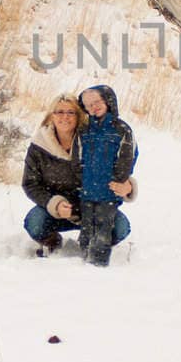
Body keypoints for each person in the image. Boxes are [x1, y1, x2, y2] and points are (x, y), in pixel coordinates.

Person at [20, 94, 134, 258]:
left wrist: (127, 186)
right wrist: (55, 204)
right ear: (52, 116)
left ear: (79, 116)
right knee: (34, 223)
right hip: (55, 210)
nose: (64, 117)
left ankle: (90, 242)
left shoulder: (94, 139)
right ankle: (54, 243)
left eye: (70, 112)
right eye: (59, 112)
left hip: (93, 207)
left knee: (121, 227)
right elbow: (30, 184)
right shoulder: (39, 145)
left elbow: (116, 169)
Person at [75, 84, 137, 267]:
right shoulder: (84, 130)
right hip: (87, 189)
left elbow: (128, 156)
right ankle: (83, 257)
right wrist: (81, 178)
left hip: (109, 190)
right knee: (87, 225)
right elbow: (76, 157)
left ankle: (99, 262)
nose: (94, 107)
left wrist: (120, 179)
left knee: (104, 226)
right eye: (88, 105)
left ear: (108, 101)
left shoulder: (121, 129)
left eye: (97, 102)